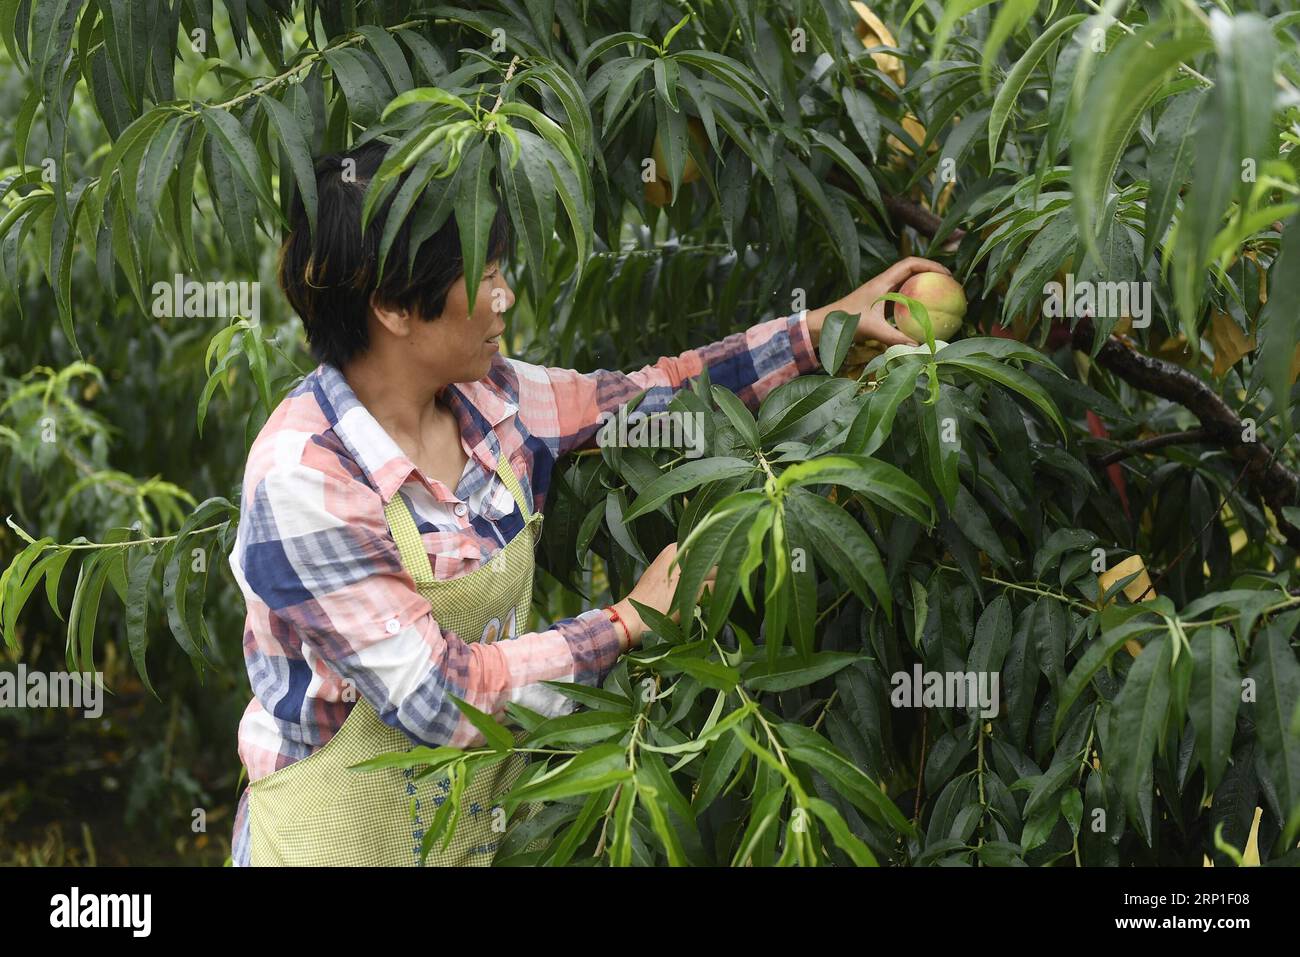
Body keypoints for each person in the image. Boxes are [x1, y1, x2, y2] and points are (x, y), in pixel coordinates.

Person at [228, 139, 951, 866]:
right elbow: (441, 701)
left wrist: (823, 329)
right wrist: (627, 621)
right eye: (485, 274)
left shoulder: (494, 401)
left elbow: (653, 396)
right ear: (392, 307)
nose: (505, 295)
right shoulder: (305, 482)